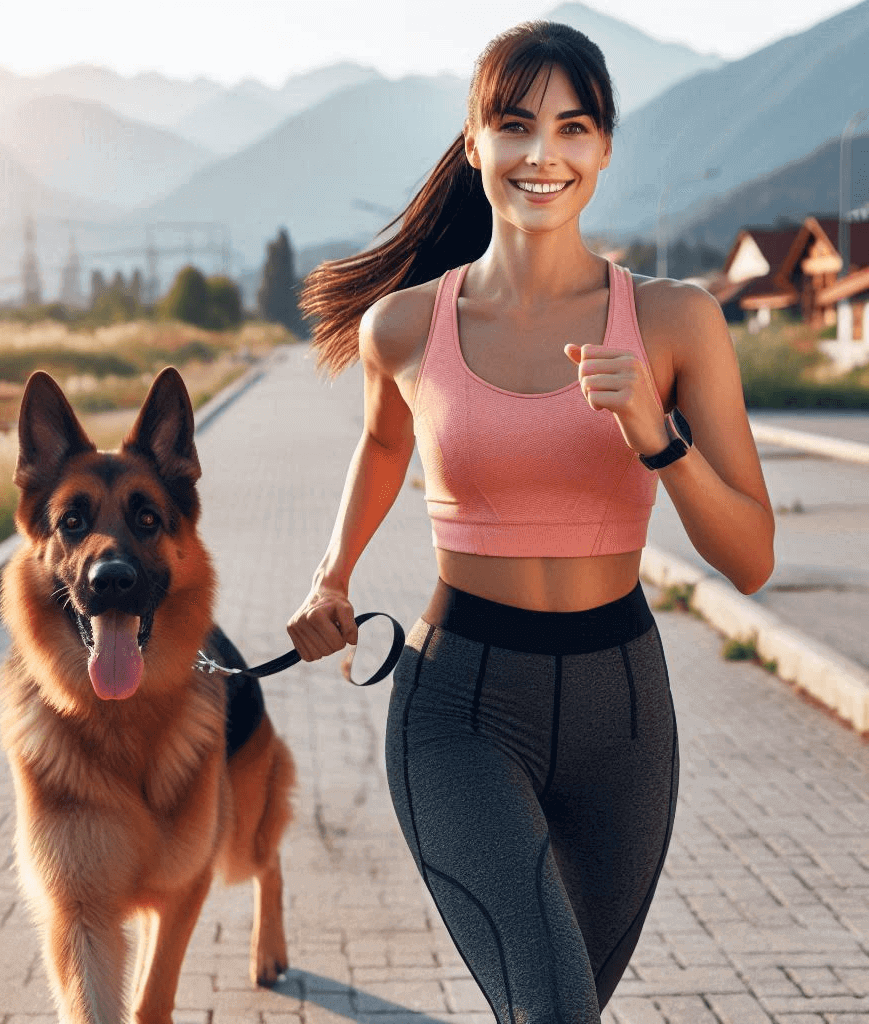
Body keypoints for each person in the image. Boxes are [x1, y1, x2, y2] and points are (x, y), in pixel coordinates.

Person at [286, 19, 774, 1024]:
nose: (542, 153)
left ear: (601, 150)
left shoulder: (676, 322)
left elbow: (753, 558)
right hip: (459, 703)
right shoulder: (407, 326)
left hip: (623, 714)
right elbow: (385, 445)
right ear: (474, 146)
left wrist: (657, 435)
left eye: (573, 126)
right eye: (514, 125)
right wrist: (330, 576)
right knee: (552, 1010)